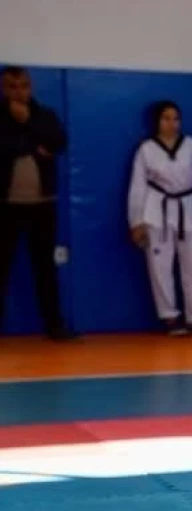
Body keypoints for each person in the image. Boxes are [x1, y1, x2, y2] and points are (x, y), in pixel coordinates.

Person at [0, 65, 74, 340]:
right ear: (3, 89)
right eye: (12, 86)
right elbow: (4, 148)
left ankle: (54, 325)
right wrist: (33, 145)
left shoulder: (44, 115)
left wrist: (28, 123)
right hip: (6, 203)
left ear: (31, 87)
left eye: (23, 86)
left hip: (42, 202)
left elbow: (58, 141)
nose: (19, 92)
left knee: (45, 267)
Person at [127, 100, 192, 335]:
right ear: (157, 121)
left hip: (187, 207)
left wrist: (185, 193)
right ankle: (170, 317)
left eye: (176, 119)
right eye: (166, 118)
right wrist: (136, 222)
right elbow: (137, 187)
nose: (172, 123)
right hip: (156, 210)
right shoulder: (146, 150)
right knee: (160, 266)